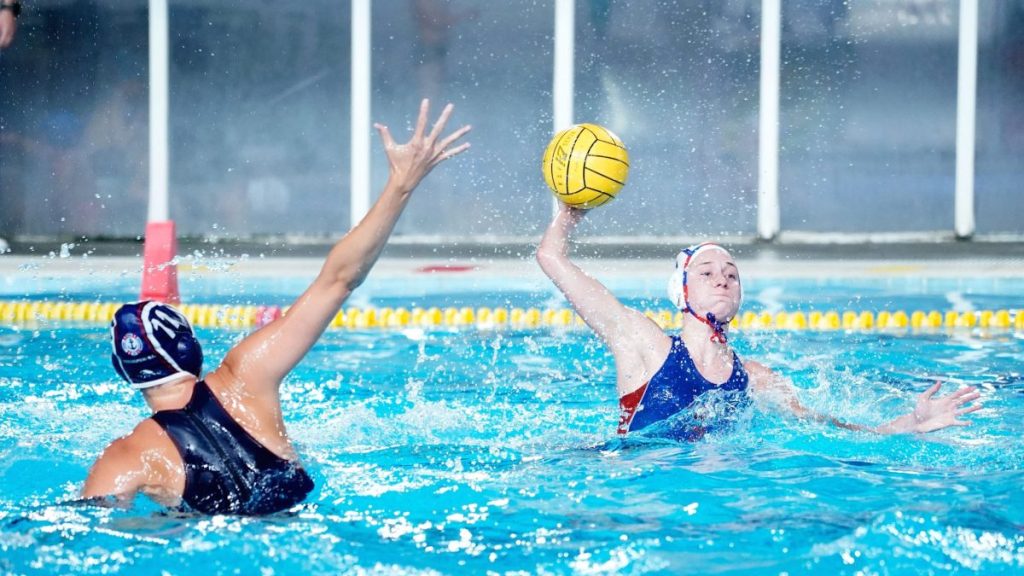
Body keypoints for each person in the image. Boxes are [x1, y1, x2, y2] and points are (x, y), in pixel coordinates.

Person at [82, 100, 471, 514]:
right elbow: (338, 280)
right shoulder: (244, 377)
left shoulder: (124, 457)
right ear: (189, 347)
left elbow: (85, 527)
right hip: (302, 526)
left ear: (125, 373)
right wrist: (401, 185)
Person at [536, 204, 983, 440]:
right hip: (636, 489)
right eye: (706, 273)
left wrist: (909, 424)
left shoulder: (755, 378)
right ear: (682, 292)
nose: (722, 279)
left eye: (731, 274)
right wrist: (571, 213)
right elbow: (551, 257)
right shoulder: (644, 345)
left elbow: (829, 430)